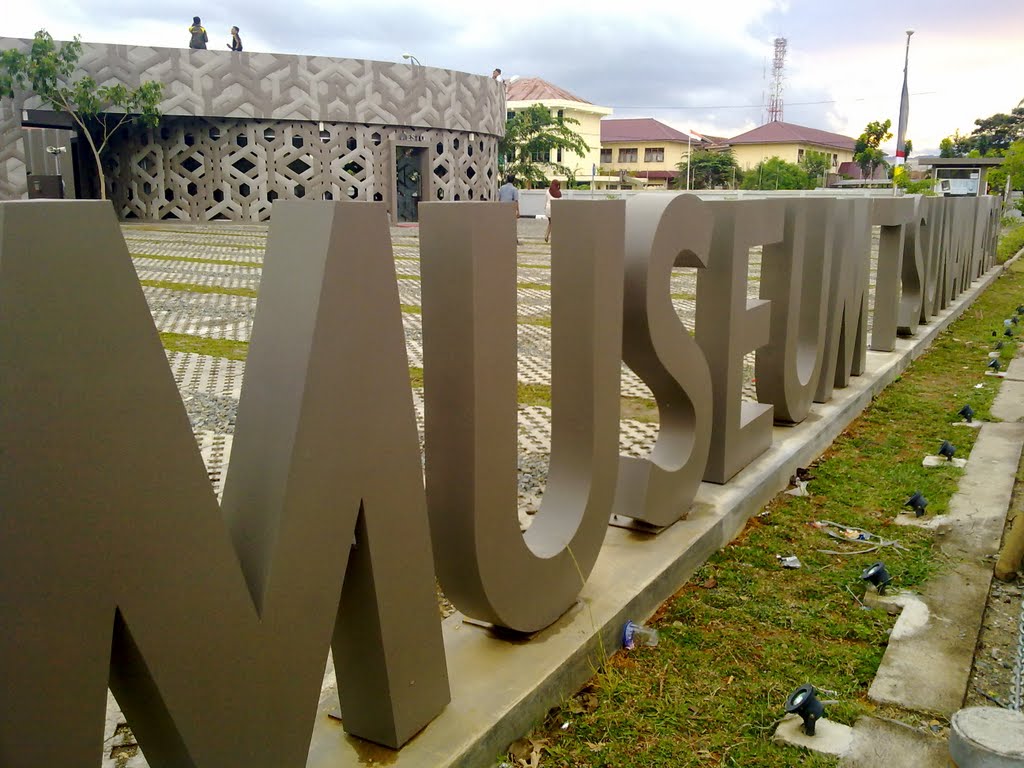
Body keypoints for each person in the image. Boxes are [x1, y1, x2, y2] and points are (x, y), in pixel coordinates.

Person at [497, 174, 521, 244]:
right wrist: (518, 211)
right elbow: (516, 201)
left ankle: (503, 238)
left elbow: (499, 199)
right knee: (513, 225)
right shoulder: (514, 189)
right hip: (510, 209)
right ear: (513, 180)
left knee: (503, 224)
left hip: (502, 208)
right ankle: (515, 240)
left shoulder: (501, 188)